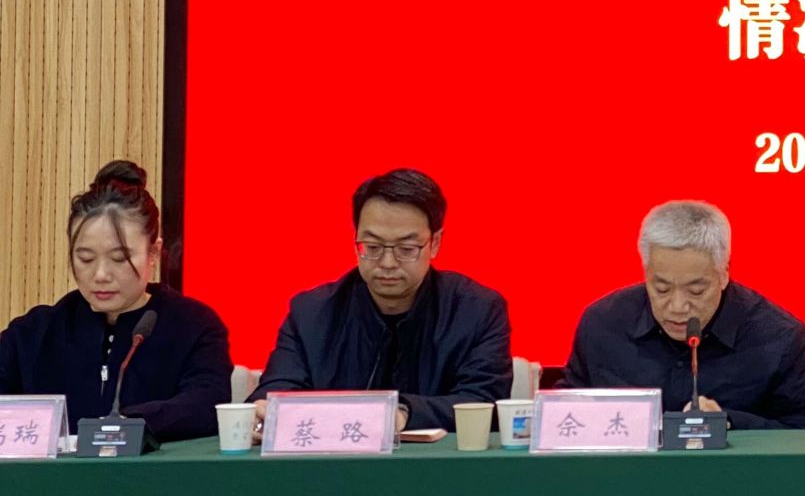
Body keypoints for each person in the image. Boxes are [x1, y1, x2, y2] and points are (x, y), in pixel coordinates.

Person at [248, 168, 510, 433]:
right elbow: (275, 393)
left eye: (406, 249)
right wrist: (263, 412)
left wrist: (404, 413)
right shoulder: (311, 313)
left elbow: (484, 402)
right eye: (372, 247)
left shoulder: (476, 311)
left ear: (435, 243)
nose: (387, 263)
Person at [0, 160, 231, 442]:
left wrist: (122, 426)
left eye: (119, 258)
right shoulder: (34, 332)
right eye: (85, 258)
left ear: (153, 252)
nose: (100, 275)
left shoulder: (194, 326)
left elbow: (206, 404)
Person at [562, 200, 805, 427]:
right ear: (646, 271)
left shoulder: (778, 337)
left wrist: (729, 423)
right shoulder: (603, 325)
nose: (678, 306)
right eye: (662, 289)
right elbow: (564, 415)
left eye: (696, 291)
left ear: (723, 274)